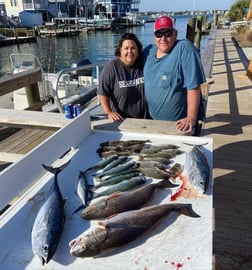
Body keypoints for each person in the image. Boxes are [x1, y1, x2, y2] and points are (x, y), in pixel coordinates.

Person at [142, 15, 206, 135]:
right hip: (154, 124)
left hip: (179, 125)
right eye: (159, 34)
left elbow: (194, 87)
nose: (163, 38)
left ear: (175, 34)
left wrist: (191, 118)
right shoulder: (148, 52)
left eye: (168, 33)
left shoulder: (185, 49)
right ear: (154, 36)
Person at [97, 33, 150, 121]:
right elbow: (103, 93)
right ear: (120, 50)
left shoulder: (143, 64)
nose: (130, 51)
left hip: (144, 119)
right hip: (122, 120)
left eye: (133, 48)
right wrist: (109, 112)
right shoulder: (111, 68)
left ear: (138, 51)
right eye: (126, 48)